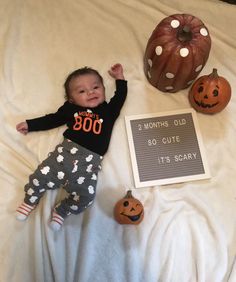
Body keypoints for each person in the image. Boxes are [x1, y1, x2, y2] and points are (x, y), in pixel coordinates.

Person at [16, 63, 127, 231]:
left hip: (88, 166)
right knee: (38, 177)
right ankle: (29, 200)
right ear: (71, 99)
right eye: (82, 91)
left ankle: (62, 210)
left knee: (87, 198)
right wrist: (30, 124)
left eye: (96, 87)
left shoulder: (108, 111)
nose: (90, 92)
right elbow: (52, 119)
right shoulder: (71, 109)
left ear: (104, 90)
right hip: (62, 157)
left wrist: (119, 77)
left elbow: (120, 97)